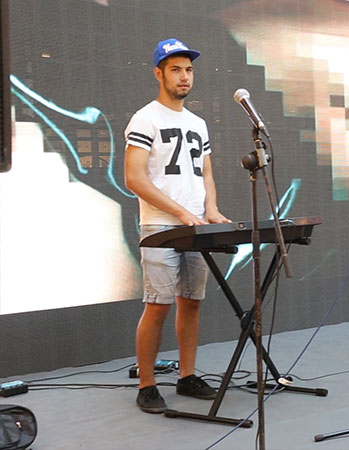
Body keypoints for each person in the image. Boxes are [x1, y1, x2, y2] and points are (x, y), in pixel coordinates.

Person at [124, 38, 231, 413]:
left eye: (188, 70)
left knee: (192, 303)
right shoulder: (145, 118)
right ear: (159, 74)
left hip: (197, 228)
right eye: (175, 70)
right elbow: (134, 178)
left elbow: (206, 173)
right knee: (158, 305)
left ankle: (187, 376)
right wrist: (181, 212)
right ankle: (147, 384)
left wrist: (211, 208)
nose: (184, 76)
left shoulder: (198, 123)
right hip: (160, 228)